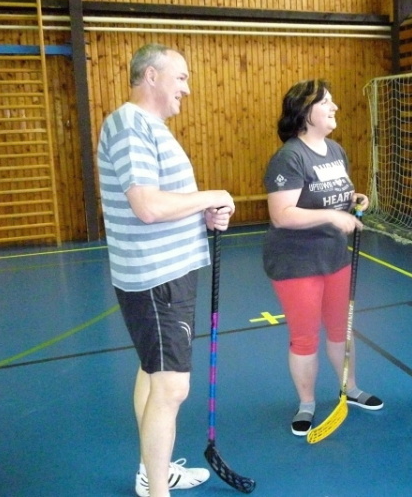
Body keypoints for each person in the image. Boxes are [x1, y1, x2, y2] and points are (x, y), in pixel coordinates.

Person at [97, 43, 235, 497]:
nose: (187, 89)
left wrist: (202, 214)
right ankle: (158, 490)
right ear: (152, 75)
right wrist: (212, 195)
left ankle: (151, 472)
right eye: (181, 77)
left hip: (167, 273)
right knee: (171, 387)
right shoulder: (130, 124)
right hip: (158, 280)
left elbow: (162, 202)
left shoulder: (149, 128)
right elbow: (148, 206)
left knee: (152, 372)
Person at [262, 79, 383, 436]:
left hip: (334, 257)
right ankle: (307, 404)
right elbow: (282, 214)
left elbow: (335, 192)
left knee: (341, 329)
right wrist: (332, 215)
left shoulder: (335, 150)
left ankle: (351, 388)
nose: (335, 107)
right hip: (296, 263)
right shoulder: (289, 157)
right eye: (326, 102)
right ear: (305, 111)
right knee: (305, 338)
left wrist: (354, 199)